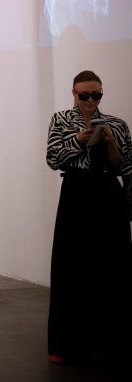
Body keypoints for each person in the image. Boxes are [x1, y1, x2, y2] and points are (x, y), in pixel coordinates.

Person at [45, 70, 132, 363]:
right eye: (84, 95)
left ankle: (106, 343)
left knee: (110, 268)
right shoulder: (60, 120)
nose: (90, 101)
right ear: (74, 94)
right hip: (76, 193)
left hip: (108, 193)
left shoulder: (117, 124)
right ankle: (66, 345)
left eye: (96, 95)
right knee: (71, 268)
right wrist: (79, 140)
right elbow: (52, 158)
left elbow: (123, 167)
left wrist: (109, 143)